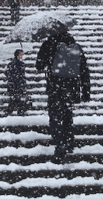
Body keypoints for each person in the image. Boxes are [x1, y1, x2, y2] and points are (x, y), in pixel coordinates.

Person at [35, 31, 91, 162]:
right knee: (67, 115)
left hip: (55, 88)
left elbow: (39, 66)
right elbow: (84, 70)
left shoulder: (48, 44)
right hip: (71, 89)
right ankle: (69, 141)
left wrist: (47, 61)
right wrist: (86, 91)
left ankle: (60, 146)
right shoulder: (74, 46)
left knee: (55, 117)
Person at [4, 48, 30, 116]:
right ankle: (19, 114)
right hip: (18, 86)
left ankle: (8, 114)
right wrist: (23, 86)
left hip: (12, 85)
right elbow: (22, 76)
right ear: (18, 55)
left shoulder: (10, 64)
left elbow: (7, 73)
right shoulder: (21, 64)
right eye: (22, 55)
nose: (23, 56)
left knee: (13, 101)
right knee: (18, 101)